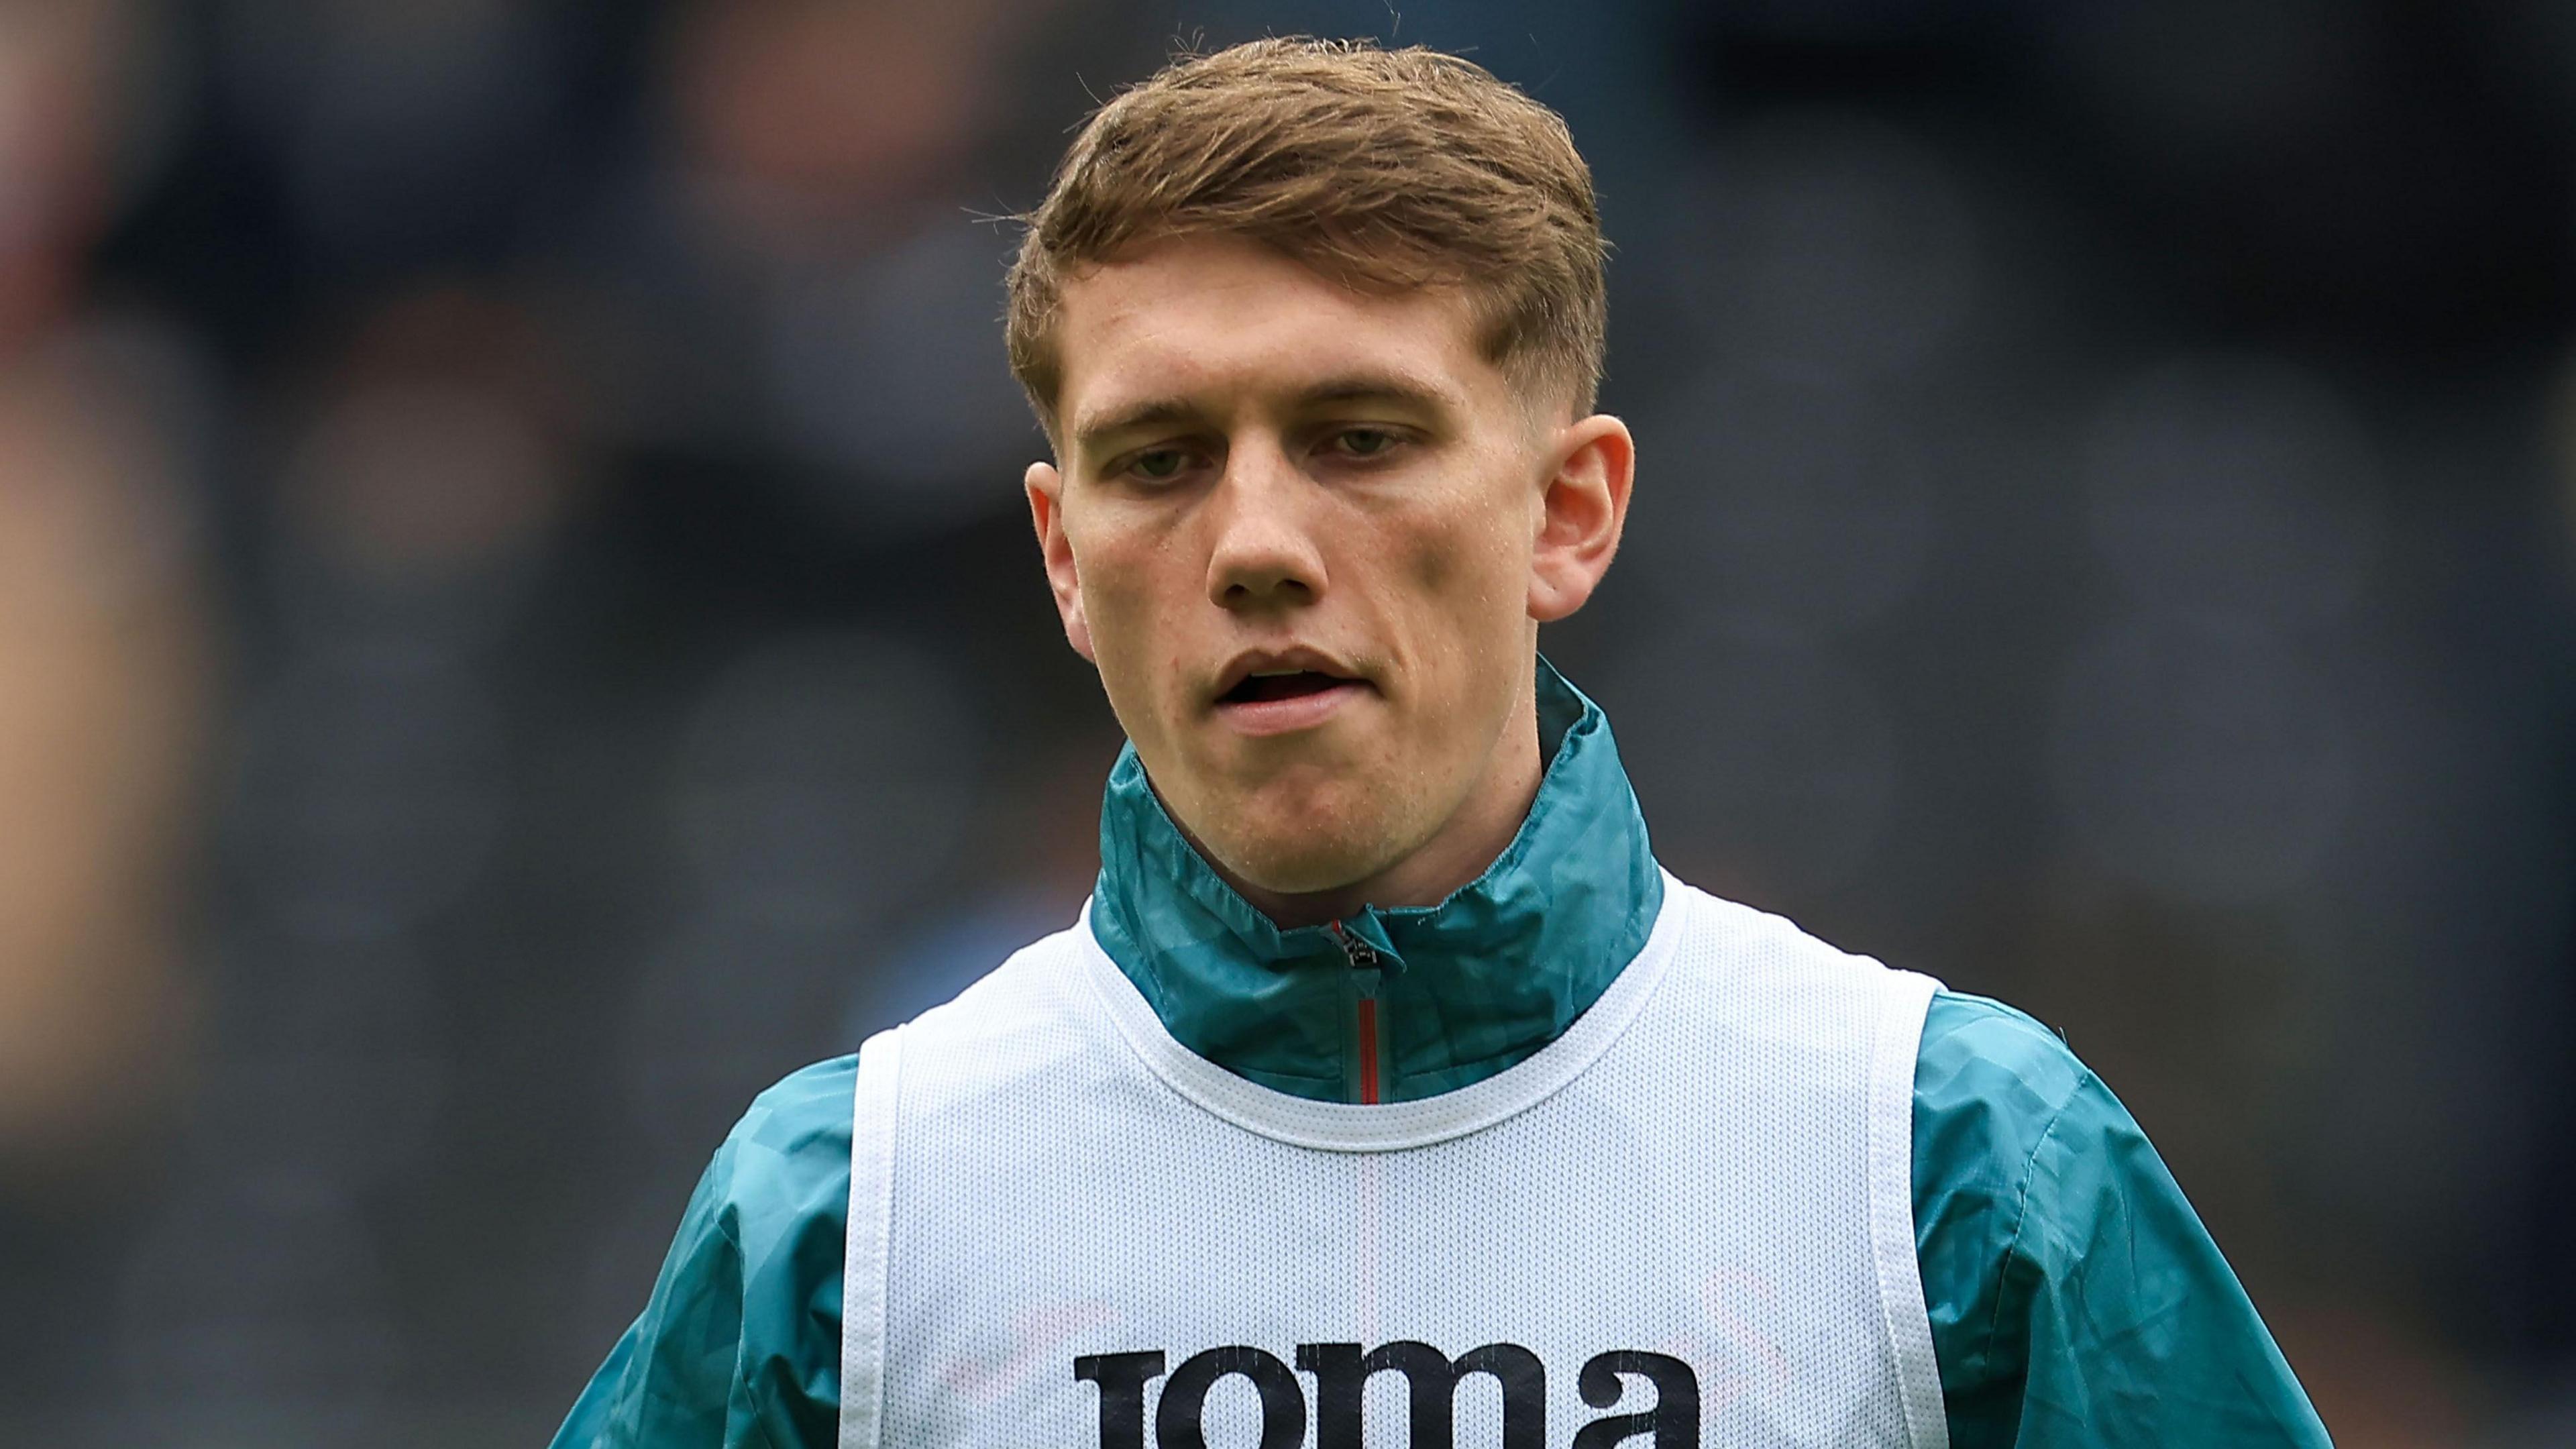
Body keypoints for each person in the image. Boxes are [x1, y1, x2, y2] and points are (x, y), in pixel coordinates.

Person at [553, 38, 2332, 1449]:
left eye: (1359, 435)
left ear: (1569, 512)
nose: (1252, 540)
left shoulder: (1947, 1167)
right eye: (1159, 458)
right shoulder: (846, 1224)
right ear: (1063, 559)